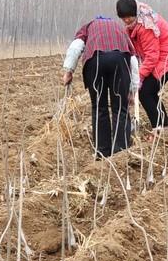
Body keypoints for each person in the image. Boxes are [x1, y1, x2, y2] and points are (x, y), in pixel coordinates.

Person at [60, 16, 140, 158]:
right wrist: (132, 90)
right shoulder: (120, 29)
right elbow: (133, 59)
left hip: (95, 61)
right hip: (119, 61)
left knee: (99, 107)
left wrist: (68, 71)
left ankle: (102, 152)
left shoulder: (87, 27)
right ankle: (120, 153)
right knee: (120, 107)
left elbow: (76, 47)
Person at [115, 0, 168, 138]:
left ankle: (160, 128)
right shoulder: (132, 25)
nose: (126, 20)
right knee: (148, 91)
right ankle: (163, 126)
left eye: (129, 16)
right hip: (159, 55)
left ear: (135, 12)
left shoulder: (145, 25)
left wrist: (138, 77)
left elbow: (152, 56)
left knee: (146, 91)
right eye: (123, 18)